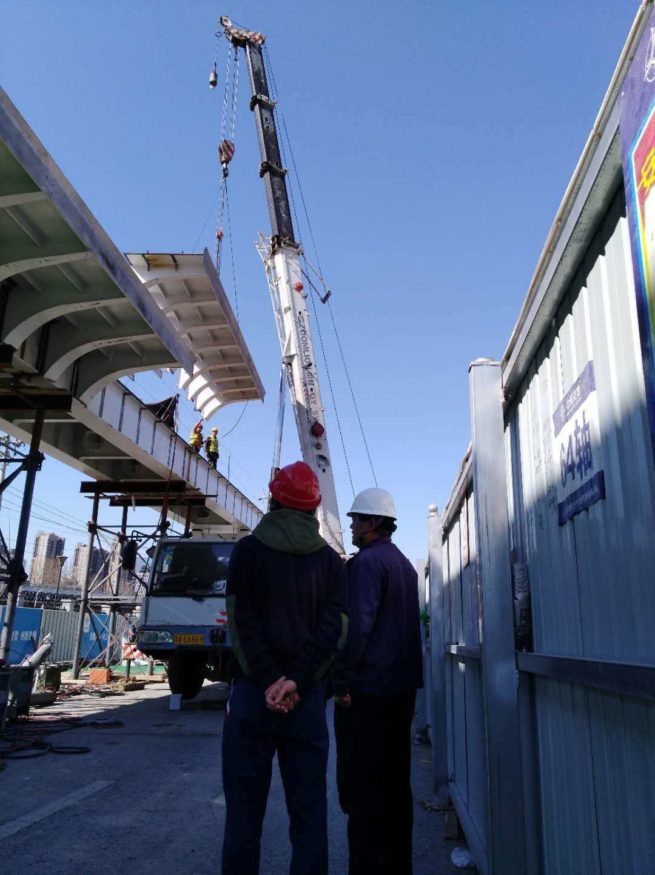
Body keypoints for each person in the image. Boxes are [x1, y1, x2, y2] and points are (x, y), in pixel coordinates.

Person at [221, 461, 347, 875]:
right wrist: (295, 680)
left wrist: (269, 679)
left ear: (272, 501)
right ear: (314, 510)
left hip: (253, 701)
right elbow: (333, 632)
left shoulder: (247, 551)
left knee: (243, 816)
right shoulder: (331, 563)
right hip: (305, 703)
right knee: (309, 818)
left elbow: (242, 625)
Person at [332, 487, 423, 875]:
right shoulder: (404, 565)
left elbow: (357, 629)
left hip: (368, 695)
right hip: (399, 693)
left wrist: (341, 682)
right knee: (394, 786)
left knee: (364, 790)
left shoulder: (366, 566)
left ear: (372, 524)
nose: (350, 525)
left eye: (355, 519)